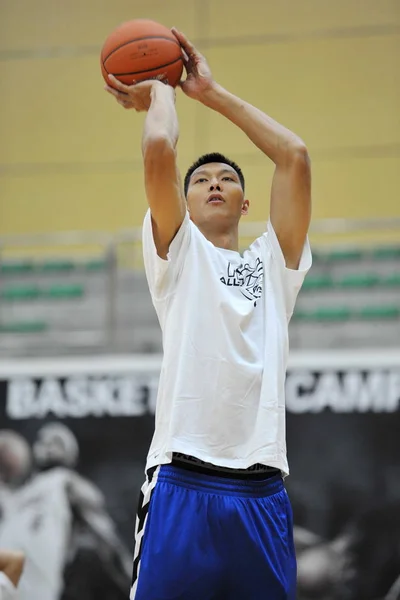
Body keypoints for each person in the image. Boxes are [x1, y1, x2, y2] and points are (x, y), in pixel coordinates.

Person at [105, 27, 311, 600]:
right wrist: (161, 87)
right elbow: (158, 152)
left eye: (227, 180)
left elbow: (293, 156)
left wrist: (211, 93)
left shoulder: (274, 263)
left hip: (263, 490)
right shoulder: (179, 253)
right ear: (185, 204)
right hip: (181, 480)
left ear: (247, 204)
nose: (213, 183)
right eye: (200, 181)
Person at [0, 424, 131, 600]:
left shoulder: (61, 485)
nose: (49, 447)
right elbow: (110, 545)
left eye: (57, 442)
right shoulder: (22, 492)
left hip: (21, 581)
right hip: (20, 583)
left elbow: (109, 544)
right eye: (46, 441)